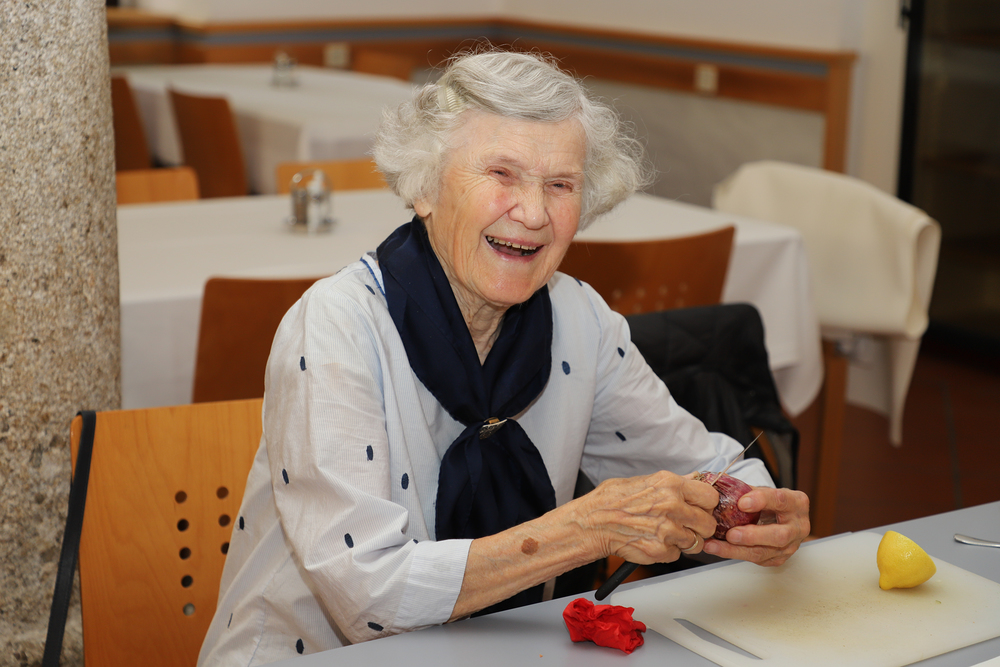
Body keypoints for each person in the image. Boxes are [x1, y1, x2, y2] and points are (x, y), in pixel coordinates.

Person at [197, 49, 810, 666]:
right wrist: (588, 528)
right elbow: (369, 596)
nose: (535, 213)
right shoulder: (337, 326)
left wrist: (758, 509)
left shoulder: (578, 318)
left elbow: (702, 464)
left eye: (561, 185)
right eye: (502, 174)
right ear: (425, 187)